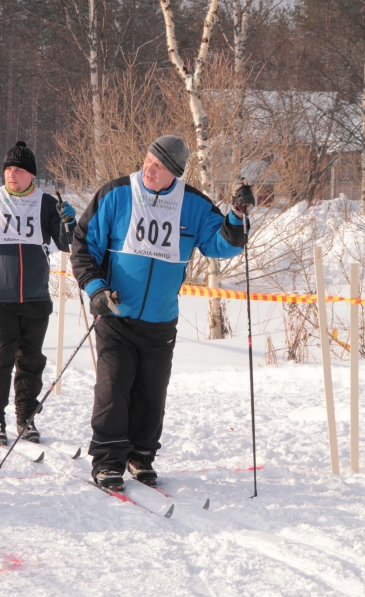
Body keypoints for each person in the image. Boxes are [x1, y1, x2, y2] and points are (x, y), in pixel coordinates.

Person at [70, 135, 255, 490]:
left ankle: (140, 455)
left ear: (174, 172)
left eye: (158, 166)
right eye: (147, 161)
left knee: (151, 394)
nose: (148, 168)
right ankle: (108, 460)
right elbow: (83, 245)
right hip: (116, 314)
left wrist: (237, 214)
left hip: (161, 319)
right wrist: (95, 289)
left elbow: (221, 244)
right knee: (113, 389)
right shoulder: (117, 193)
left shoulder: (193, 204)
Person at [0, 141, 76, 447]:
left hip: (35, 297)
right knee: (1, 359)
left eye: (18, 170)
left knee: (31, 360)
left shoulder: (46, 203)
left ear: (31, 175)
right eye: (8, 169)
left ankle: (26, 416)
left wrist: (69, 221)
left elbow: (65, 243)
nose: (11, 174)